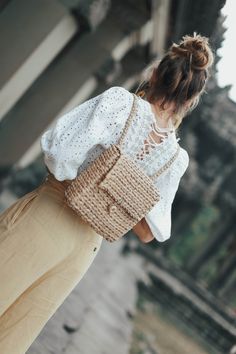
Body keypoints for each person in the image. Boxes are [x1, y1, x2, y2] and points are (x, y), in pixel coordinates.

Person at [0, 32, 214, 353]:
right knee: (16, 333)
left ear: (154, 73)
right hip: (85, 248)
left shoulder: (120, 103)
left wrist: (95, 174)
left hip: (50, 214)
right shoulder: (174, 158)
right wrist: (120, 191)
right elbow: (147, 232)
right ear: (190, 100)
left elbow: (59, 155)